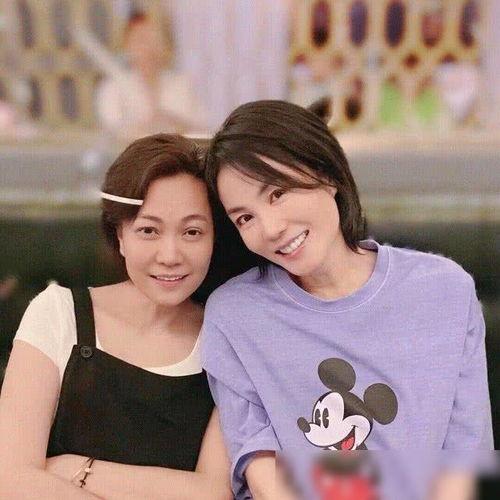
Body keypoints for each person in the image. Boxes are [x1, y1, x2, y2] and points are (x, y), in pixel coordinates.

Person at [200, 100, 493, 499]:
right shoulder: (235, 315)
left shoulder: (444, 290)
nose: (270, 228)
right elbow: (259, 467)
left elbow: (466, 459)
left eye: (277, 193)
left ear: (325, 173)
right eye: (244, 218)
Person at [0, 134, 231, 499]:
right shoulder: (58, 313)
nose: (170, 255)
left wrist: (79, 469)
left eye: (192, 232)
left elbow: (211, 493)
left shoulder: (229, 337)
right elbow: (10, 480)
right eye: (148, 230)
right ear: (120, 234)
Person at [96, 11, 207, 140]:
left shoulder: (182, 85)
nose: (148, 47)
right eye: (141, 40)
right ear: (127, 45)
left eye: (154, 39)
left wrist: (174, 122)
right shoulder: (112, 89)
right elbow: (112, 133)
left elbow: (202, 131)